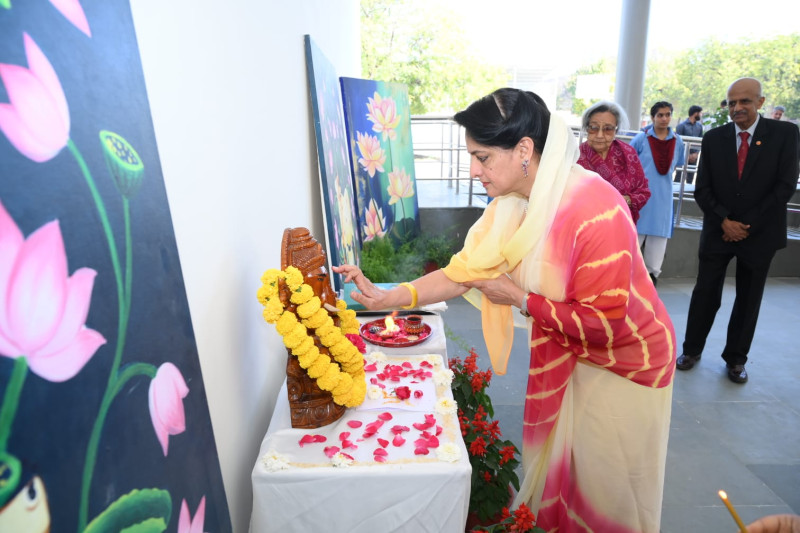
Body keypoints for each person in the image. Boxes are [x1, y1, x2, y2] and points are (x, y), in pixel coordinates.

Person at [334, 88, 676, 532]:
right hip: (572, 350)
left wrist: (519, 298)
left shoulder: (595, 209)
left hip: (626, 362)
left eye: (483, 157)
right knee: (568, 476)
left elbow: (603, 325)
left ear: (524, 150)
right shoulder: (514, 203)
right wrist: (387, 298)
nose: (473, 170)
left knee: (606, 491)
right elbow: (462, 272)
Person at [676, 77, 800, 384]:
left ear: (760, 102)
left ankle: (736, 360)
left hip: (760, 234)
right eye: (732, 102)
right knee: (705, 293)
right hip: (718, 231)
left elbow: (785, 186)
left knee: (749, 299)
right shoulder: (713, 138)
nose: (737, 108)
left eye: (744, 101)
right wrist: (724, 221)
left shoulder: (785, 134)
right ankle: (691, 350)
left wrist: (747, 225)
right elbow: (702, 189)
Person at [630, 102, 685, 285]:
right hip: (640, 196)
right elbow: (629, 164)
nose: (664, 118)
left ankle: (651, 276)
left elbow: (676, 166)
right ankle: (627, 274)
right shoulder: (641, 139)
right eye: (660, 115)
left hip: (663, 197)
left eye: (668, 114)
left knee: (658, 238)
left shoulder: (678, 141)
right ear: (652, 117)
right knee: (634, 236)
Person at [577, 101, 651, 222]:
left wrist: (624, 200)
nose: (600, 135)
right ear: (586, 128)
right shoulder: (575, 157)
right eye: (594, 128)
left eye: (608, 129)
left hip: (620, 223)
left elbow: (643, 192)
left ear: (616, 130)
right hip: (584, 224)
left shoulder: (628, 154)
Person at [675, 105, 703, 183]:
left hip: (694, 156)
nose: (701, 115)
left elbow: (700, 141)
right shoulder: (681, 126)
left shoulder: (699, 126)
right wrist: (686, 155)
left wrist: (696, 154)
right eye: (700, 113)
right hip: (682, 156)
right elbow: (678, 142)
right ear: (695, 113)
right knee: (678, 177)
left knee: (690, 178)